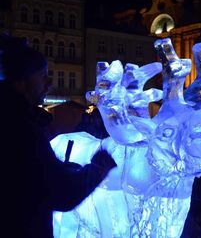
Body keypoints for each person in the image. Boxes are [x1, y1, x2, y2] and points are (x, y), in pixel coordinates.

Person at [0, 33, 117, 238]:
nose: (49, 84)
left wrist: (65, 168)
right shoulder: (22, 128)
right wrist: (98, 169)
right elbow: (62, 192)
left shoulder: (14, 119)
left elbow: (30, 175)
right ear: (20, 82)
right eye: (42, 76)